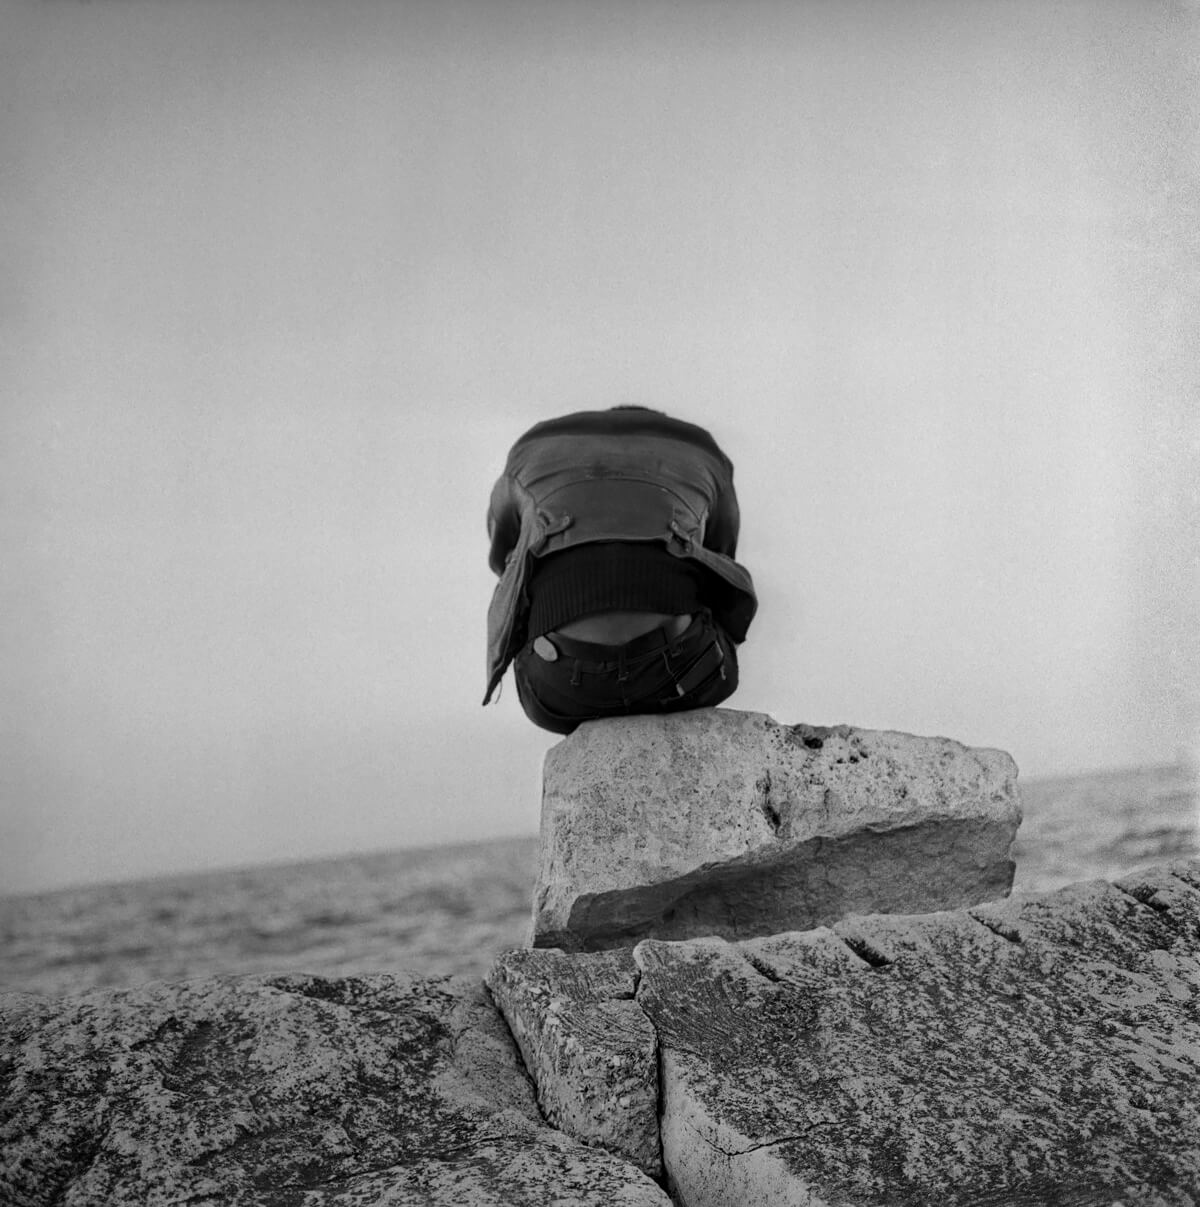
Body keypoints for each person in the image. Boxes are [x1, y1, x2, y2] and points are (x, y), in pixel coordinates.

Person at [483, 405, 757, 734]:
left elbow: (505, 561)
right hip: (682, 669)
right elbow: (721, 558)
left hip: (559, 683)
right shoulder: (703, 451)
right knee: (714, 634)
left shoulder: (529, 451)